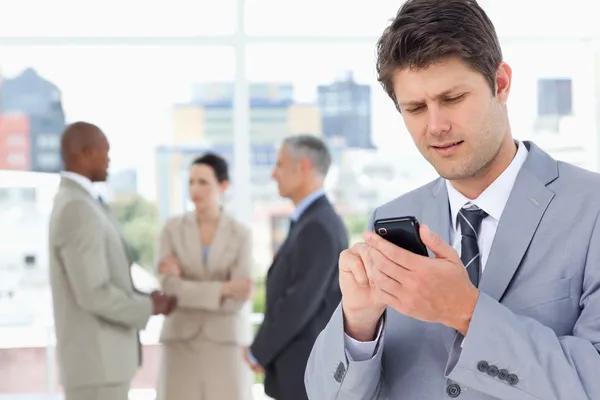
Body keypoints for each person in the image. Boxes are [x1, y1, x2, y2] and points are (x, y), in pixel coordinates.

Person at [305, 1, 600, 399]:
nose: (436, 126)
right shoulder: (391, 219)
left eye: (453, 98)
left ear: (501, 84)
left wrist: (466, 312)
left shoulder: (591, 209)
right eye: (415, 108)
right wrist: (358, 324)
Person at [49, 121, 176, 400]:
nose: (109, 159)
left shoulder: (83, 202)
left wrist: (142, 295)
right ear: (84, 153)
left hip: (101, 367)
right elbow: (93, 294)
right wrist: (148, 306)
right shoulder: (77, 208)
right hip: (96, 368)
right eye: (104, 151)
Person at [244, 135, 348, 400]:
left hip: (304, 369)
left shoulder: (318, 225)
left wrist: (259, 351)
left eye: (279, 164)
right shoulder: (312, 221)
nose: (273, 173)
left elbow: (299, 302)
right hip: (299, 367)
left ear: (302, 167)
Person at [156, 153, 254, 400]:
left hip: (225, 343)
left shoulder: (241, 234)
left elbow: (240, 296)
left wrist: (187, 285)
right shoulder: (171, 229)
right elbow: (169, 287)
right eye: (190, 182)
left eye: (203, 182)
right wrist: (222, 289)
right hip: (180, 341)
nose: (194, 189)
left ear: (223, 186)